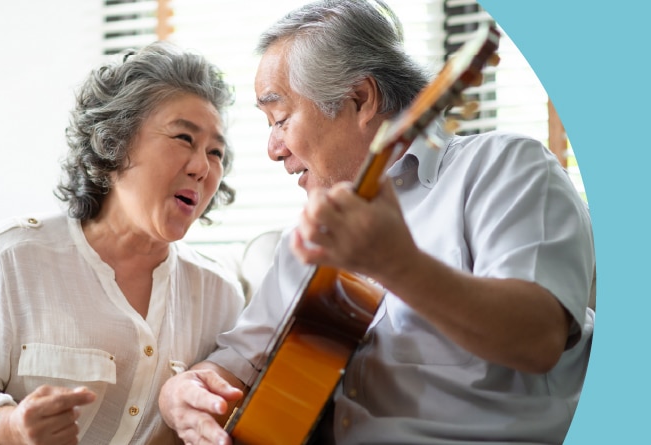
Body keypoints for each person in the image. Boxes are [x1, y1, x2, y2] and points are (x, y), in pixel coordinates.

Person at [158, 1, 595, 444]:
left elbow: (538, 337)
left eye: (282, 119)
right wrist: (181, 391)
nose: (274, 149)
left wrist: (397, 265)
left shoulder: (504, 168)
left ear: (360, 99)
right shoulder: (308, 237)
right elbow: (237, 362)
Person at [0, 41, 244, 445]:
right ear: (115, 144)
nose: (202, 168)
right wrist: (11, 427)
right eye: (183, 138)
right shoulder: (11, 257)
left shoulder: (218, 294)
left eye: (216, 153)